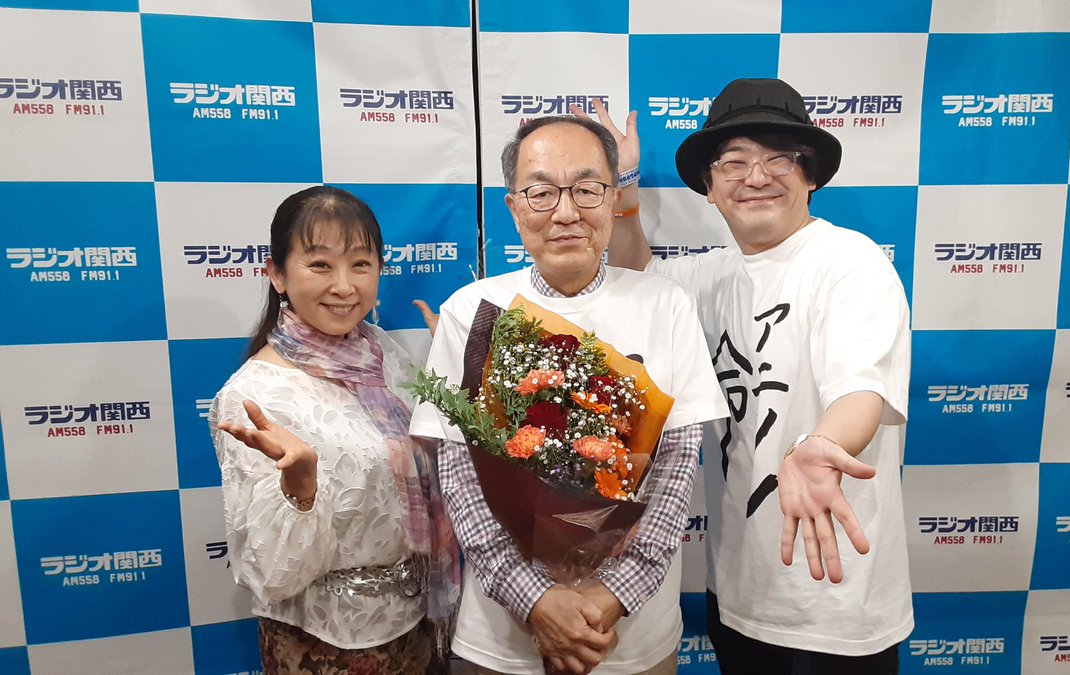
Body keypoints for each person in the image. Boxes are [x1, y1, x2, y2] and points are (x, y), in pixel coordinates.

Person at [592, 78, 913, 673]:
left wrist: (821, 446)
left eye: (778, 159)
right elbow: (637, 281)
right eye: (734, 162)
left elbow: (860, 390)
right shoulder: (711, 276)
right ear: (710, 189)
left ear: (809, 175)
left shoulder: (850, 263)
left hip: (834, 598)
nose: (756, 176)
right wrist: (626, 185)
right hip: (740, 591)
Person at [408, 116, 728, 675]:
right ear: (514, 208)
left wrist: (615, 593)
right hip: (504, 640)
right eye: (541, 192)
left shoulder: (665, 304)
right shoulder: (474, 310)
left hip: (632, 635)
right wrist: (534, 599)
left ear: (612, 198)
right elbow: (459, 477)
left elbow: (678, 468)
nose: (565, 212)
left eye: (586, 189)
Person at [209, 186, 460, 675]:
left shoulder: (383, 353)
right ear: (277, 274)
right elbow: (273, 576)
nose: (344, 286)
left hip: (418, 623)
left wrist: (462, 375)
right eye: (320, 265)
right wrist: (300, 489)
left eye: (360, 264)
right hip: (326, 643)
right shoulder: (253, 396)